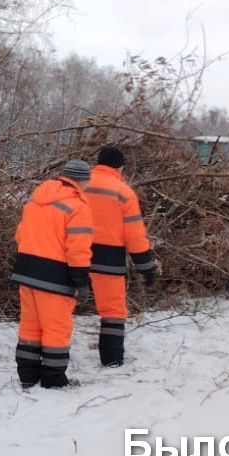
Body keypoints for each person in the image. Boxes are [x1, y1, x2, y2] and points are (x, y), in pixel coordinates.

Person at [12, 160, 95, 389]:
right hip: (56, 276)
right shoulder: (78, 207)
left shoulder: (35, 199)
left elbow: (20, 235)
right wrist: (81, 279)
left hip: (26, 271)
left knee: (30, 325)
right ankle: (53, 379)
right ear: (82, 180)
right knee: (56, 328)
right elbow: (77, 248)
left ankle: (28, 376)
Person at [83, 146, 159, 366]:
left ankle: (51, 357)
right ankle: (111, 360)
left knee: (59, 307)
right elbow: (135, 234)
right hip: (109, 258)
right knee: (113, 310)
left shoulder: (79, 185)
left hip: (74, 253)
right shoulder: (123, 192)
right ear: (120, 166)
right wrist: (145, 266)